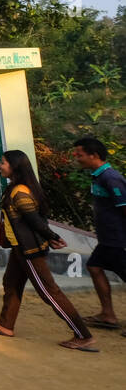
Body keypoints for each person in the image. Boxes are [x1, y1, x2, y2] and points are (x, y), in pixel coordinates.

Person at [0, 150, 97, 352]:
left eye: (3, 163)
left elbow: (34, 220)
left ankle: (83, 335)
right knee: (11, 283)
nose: (0, 165)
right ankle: (5, 325)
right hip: (20, 247)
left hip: (28, 250)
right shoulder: (18, 188)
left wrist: (52, 237)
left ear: (14, 167)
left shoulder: (20, 191)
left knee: (49, 292)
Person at [71, 137, 126, 332]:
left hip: (117, 240)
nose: (76, 157)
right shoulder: (98, 176)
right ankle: (108, 315)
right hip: (108, 239)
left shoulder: (110, 178)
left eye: (79, 154)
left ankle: (108, 315)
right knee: (94, 267)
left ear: (93, 155)